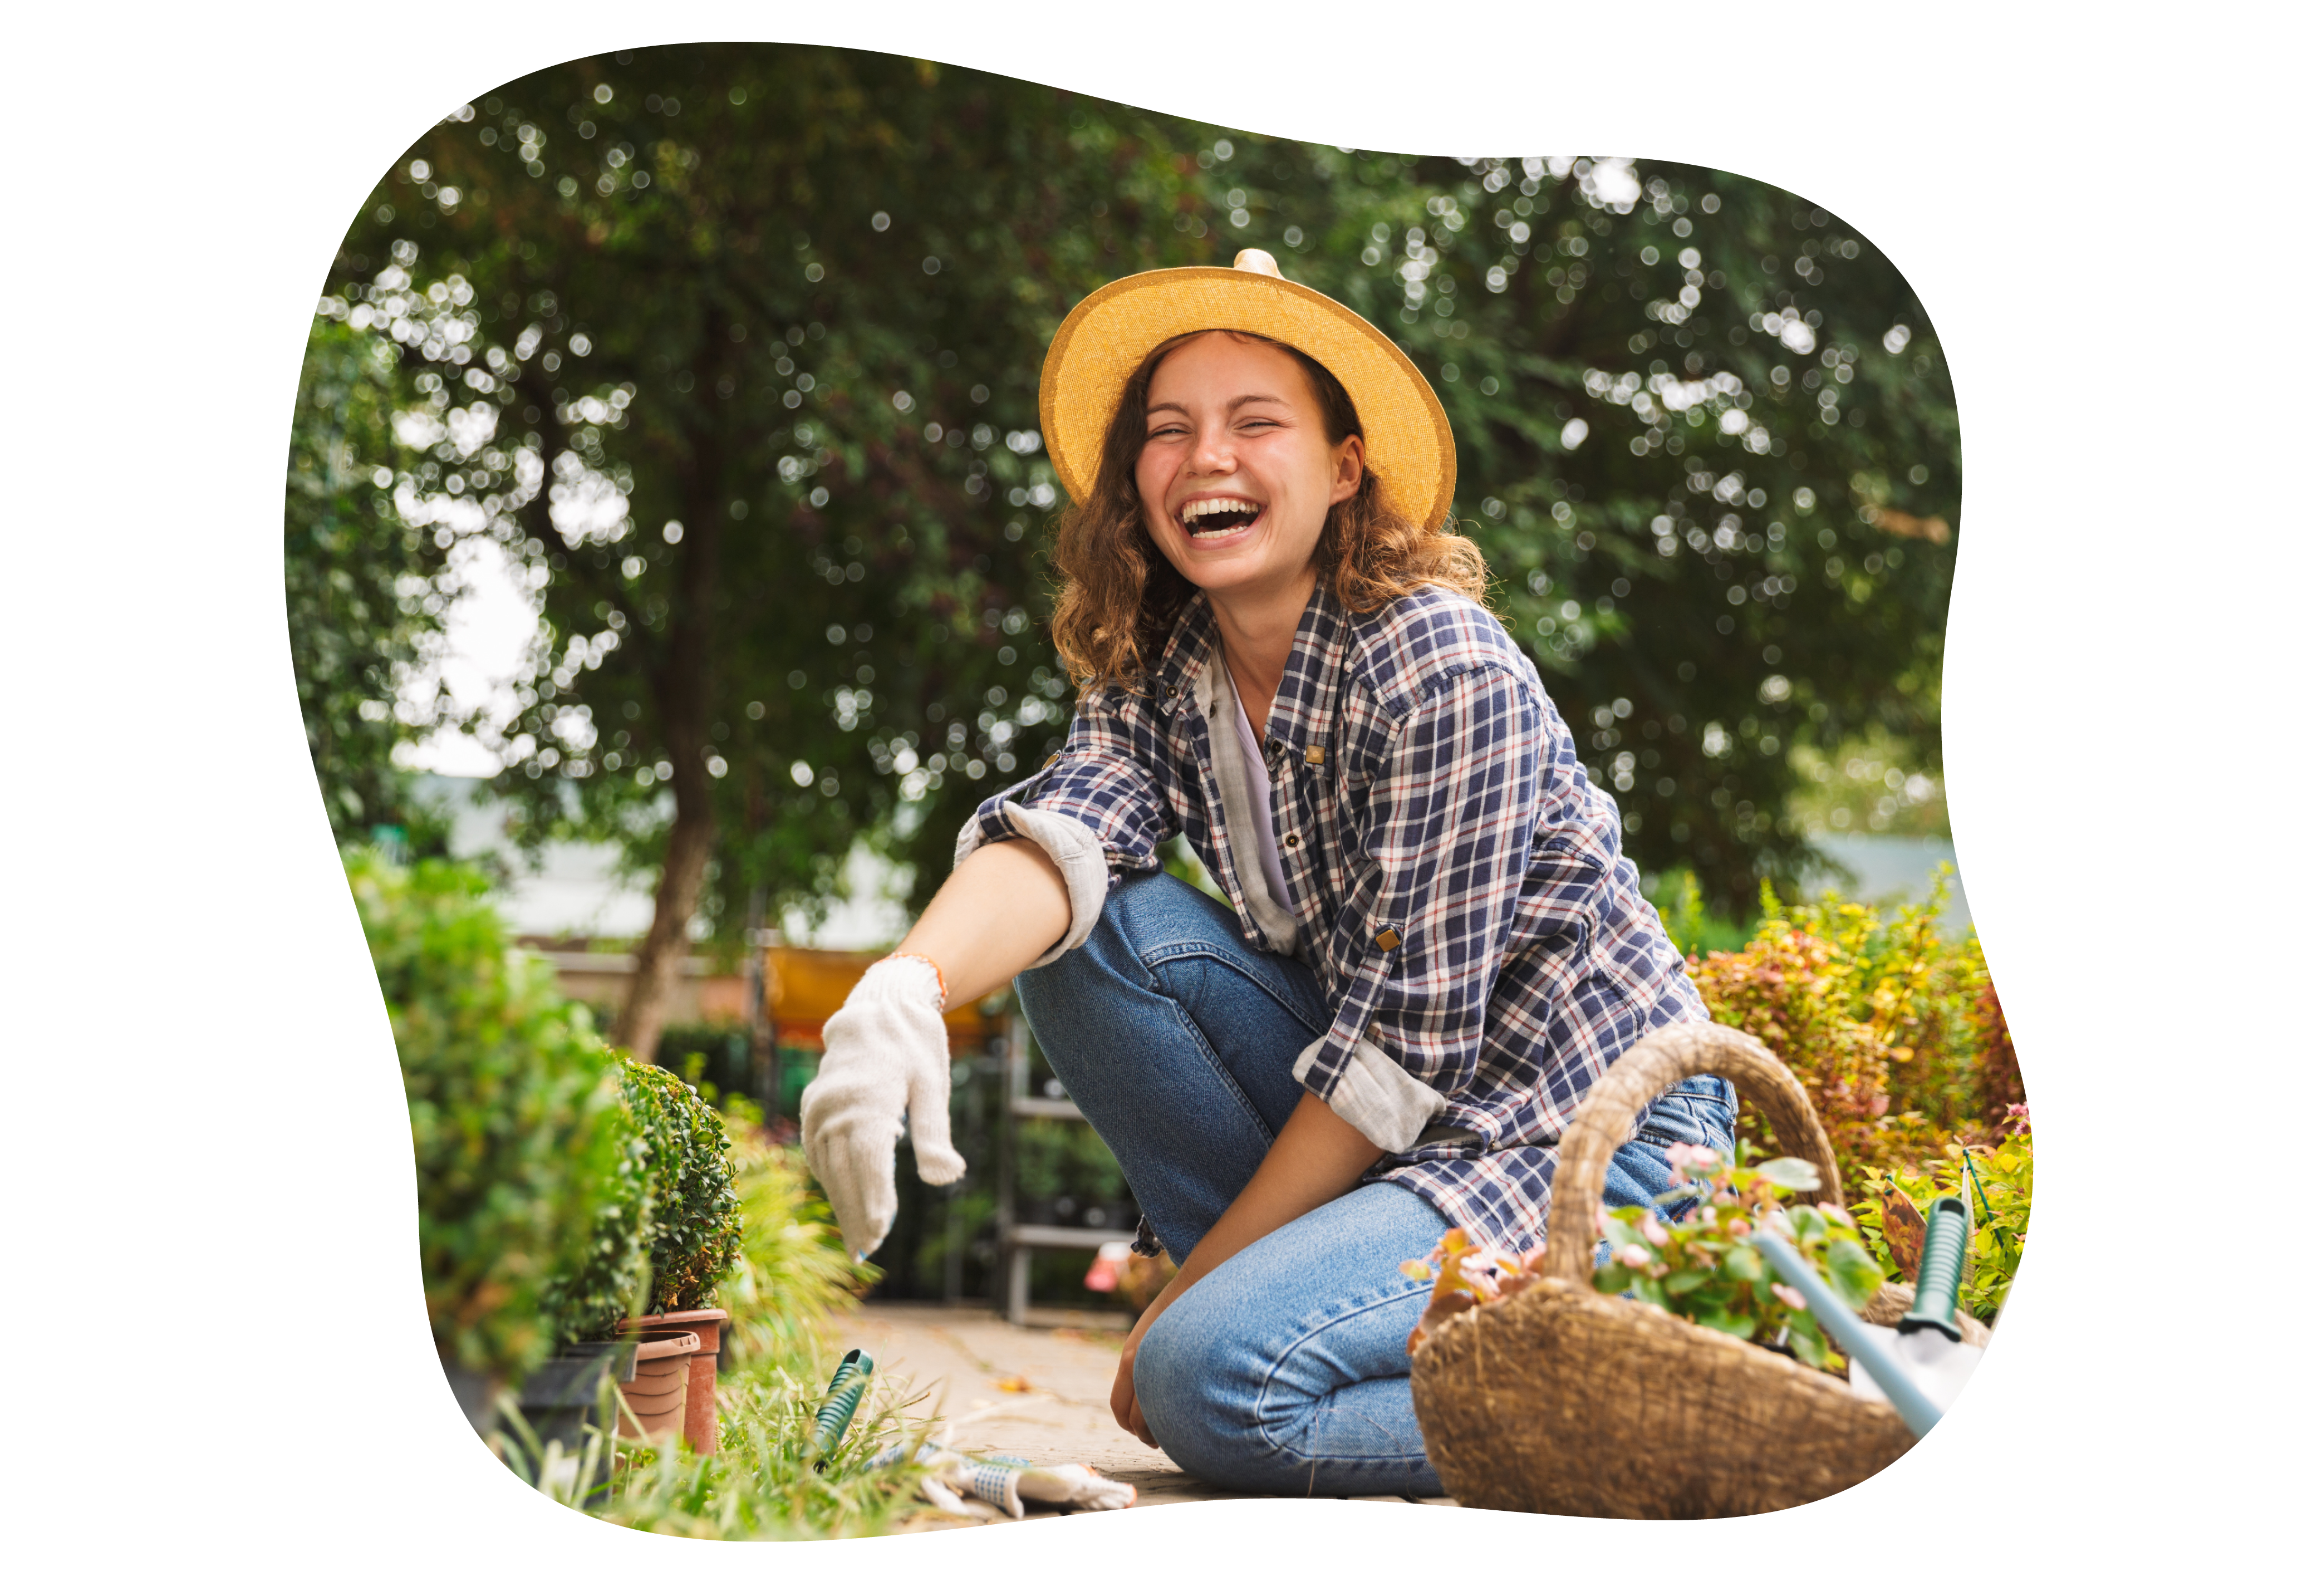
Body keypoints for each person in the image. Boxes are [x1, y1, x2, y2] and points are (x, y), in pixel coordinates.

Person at [801, 249, 1735, 1498]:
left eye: (1257, 423)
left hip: (1583, 1139)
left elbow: (1399, 1059)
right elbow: (1063, 836)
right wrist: (904, 986)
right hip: (1407, 1128)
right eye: (1170, 430)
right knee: (1098, 937)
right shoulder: (1168, 669)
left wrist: (1188, 1299)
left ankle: (1649, 1396)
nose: (1208, 458)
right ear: (1137, 478)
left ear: (1346, 467)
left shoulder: (1437, 666)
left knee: (1208, 1386)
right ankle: (1279, 1318)